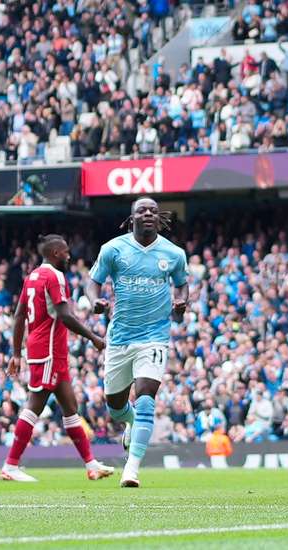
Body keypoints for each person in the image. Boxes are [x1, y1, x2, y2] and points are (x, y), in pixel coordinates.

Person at [86, 197, 188, 488]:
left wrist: (181, 302)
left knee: (145, 398)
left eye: (153, 211)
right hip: (120, 338)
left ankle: (131, 469)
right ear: (131, 218)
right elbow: (93, 281)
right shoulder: (113, 249)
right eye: (141, 211)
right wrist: (95, 301)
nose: (147, 214)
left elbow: (182, 284)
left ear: (159, 218)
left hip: (154, 337)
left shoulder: (173, 253)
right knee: (115, 407)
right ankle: (129, 423)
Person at [0, 235, 115, 482]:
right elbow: (64, 315)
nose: (69, 256)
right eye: (65, 252)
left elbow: (19, 315)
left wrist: (17, 354)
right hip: (48, 350)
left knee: (70, 408)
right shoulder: (54, 276)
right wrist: (93, 337)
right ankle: (10, 465)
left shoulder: (32, 277)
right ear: (55, 253)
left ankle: (92, 465)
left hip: (50, 350)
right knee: (35, 404)